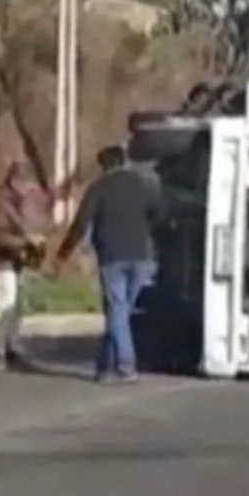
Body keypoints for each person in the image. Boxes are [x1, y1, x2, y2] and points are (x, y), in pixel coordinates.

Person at [54, 146, 165, 384]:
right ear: (124, 161)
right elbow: (159, 211)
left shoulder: (99, 188)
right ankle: (104, 367)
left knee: (117, 311)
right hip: (140, 255)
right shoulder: (141, 185)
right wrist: (147, 232)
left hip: (112, 256)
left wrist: (63, 254)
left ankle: (126, 365)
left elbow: (81, 222)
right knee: (120, 312)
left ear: (103, 166)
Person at [0, 161, 48, 372]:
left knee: (17, 307)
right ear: (17, 183)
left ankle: (11, 348)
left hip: (12, 260)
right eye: (28, 186)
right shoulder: (1, 205)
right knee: (5, 303)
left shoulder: (15, 203)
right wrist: (27, 241)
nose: (30, 191)